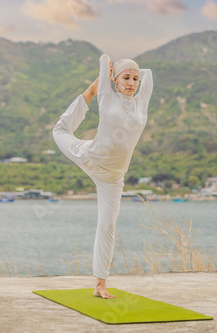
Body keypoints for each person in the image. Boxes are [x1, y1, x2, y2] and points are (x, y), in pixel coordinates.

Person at [52, 54, 153, 299]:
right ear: (114, 81)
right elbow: (104, 60)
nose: (131, 82)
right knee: (59, 131)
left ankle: (100, 284)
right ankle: (89, 90)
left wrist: (132, 72)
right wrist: (96, 87)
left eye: (135, 79)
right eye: (126, 77)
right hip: (90, 157)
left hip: (114, 177)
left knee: (108, 225)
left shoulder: (141, 102)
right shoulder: (107, 97)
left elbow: (147, 77)